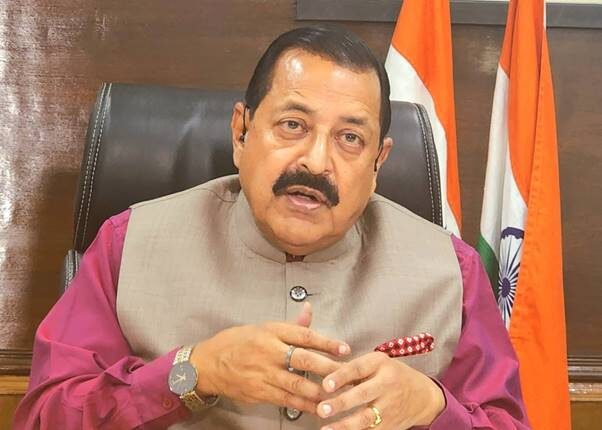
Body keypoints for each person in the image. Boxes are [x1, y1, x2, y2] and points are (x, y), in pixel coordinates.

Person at [14, 26, 530, 429]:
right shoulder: (128, 245)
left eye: (350, 138)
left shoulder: (452, 271)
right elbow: (44, 418)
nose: (316, 161)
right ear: (241, 132)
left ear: (379, 162)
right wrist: (195, 372)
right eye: (292, 125)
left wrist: (433, 406)